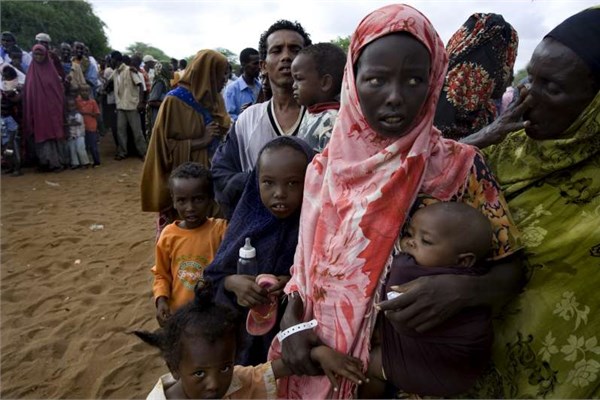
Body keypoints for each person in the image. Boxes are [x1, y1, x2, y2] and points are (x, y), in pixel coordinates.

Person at [270, 4, 522, 399]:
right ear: (353, 82)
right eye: (376, 80)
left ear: (434, 81)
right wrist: (291, 324)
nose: (395, 97)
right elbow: (305, 267)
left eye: (414, 80)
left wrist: (462, 291)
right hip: (325, 359)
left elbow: (512, 269)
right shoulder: (324, 169)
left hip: (410, 377)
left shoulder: (460, 166)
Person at [460, 7, 600, 398]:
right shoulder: (506, 149)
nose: (527, 98)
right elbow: (409, 190)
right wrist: (477, 141)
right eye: (530, 79)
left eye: (551, 87)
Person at [136, 279, 366, 399]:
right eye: (199, 374)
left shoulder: (235, 382)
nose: (215, 384)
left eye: (226, 367)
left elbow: (275, 369)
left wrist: (319, 353)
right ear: (174, 368)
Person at [363, 202, 494, 397]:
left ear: (463, 261)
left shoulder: (407, 269)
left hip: (439, 368)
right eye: (409, 234)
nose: (410, 242)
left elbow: (398, 313)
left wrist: (400, 262)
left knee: (368, 364)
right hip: (464, 367)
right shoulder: (475, 271)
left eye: (426, 241)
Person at [204, 136, 315, 366]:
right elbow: (212, 278)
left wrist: (292, 283)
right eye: (268, 183)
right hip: (242, 341)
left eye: (293, 183)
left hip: (290, 345)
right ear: (256, 182)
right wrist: (232, 283)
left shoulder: (317, 229)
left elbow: (327, 281)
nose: (280, 193)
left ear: (312, 181)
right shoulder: (246, 223)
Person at [211, 20, 312, 219]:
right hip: (258, 236)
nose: (286, 56)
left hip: (313, 236)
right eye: (276, 50)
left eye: (294, 49)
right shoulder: (246, 120)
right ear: (264, 66)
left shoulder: (327, 120)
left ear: (308, 61)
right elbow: (220, 174)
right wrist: (260, 184)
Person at [140, 49, 231, 237]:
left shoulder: (215, 99)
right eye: (222, 74)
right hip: (188, 186)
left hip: (214, 180)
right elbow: (162, 148)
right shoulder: (174, 101)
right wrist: (199, 141)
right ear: (208, 73)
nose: (225, 79)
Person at [151, 162, 228, 327]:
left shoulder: (221, 229)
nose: (190, 208)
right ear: (173, 201)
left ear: (210, 199)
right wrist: (161, 300)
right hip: (180, 316)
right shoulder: (168, 236)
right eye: (182, 201)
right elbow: (161, 274)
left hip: (213, 314)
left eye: (198, 199)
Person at [434, 13, 518, 140]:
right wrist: (481, 139)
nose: (510, 77)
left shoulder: (488, 113)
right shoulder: (421, 109)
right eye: (508, 63)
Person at [292, 42, 346, 152]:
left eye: (299, 79)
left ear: (325, 83)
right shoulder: (312, 111)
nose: (293, 86)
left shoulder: (332, 120)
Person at [23, 44, 66, 172]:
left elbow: (57, 91)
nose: (38, 57)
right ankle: (44, 163)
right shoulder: (31, 72)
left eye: (41, 54)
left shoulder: (51, 72)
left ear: (45, 55)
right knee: (40, 136)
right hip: (37, 110)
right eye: (36, 54)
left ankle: (56, 163)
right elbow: (28, 91)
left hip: (50, 110)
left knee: (52, 136)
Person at [106, 50, 147, 161]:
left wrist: (140, 102)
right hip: (120, 106)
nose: (110, 62)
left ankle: (143, 152)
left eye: (112, 60)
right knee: (121, 131)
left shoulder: (130, 70)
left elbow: (141, 86)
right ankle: (122, 152)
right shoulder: (115, 73)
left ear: (117, 60)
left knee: (137, 131)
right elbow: (107, 85)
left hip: (132, 105)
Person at [224, 48, 262, 122]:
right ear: (244, 65)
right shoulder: (231, 90)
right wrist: (243, 117)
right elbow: (229, 119)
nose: (259, 66)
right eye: (255, 63)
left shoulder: (260, 87)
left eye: (260, 63)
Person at [1, 65, 23, 176]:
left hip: (12, 120)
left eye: (7, 76)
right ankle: (11, 166)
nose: (5, 77)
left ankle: (17, 168)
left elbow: (17, 101)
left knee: (12, 144)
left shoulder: (17, 88)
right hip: (3, 121)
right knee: (5, 146)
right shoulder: (3, 88)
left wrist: (10, 95)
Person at [76, 85, 101, 167]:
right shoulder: (77, 101)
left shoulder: (93, 102)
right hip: (81, 128)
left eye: (86, 91)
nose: (84, 92)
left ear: (89, 92)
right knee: (84, 146)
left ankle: (97, 161)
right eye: (82, 91)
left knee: (93, 146)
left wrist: (87, 113)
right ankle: (86, 162)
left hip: (91, 127)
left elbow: (97, 114)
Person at [146, 61, 173, 135]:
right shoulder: (160, 82)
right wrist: (167, 105)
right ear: (164, 70)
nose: (173, 72)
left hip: (162, 115)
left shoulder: (166, 82)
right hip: (157, 116)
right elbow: (151, 101)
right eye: (170, 70)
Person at [65, 97, 90, 169]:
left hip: (80, 135)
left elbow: (77, 123)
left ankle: (85, 162)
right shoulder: (68, 115)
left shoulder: (78, 114)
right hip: (72, 135)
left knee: (80, 149)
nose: (71, 107)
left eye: (72, 105)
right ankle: (75, 163)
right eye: (69, 106)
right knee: (72, 150)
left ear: (76, 106)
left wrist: (66, 124)